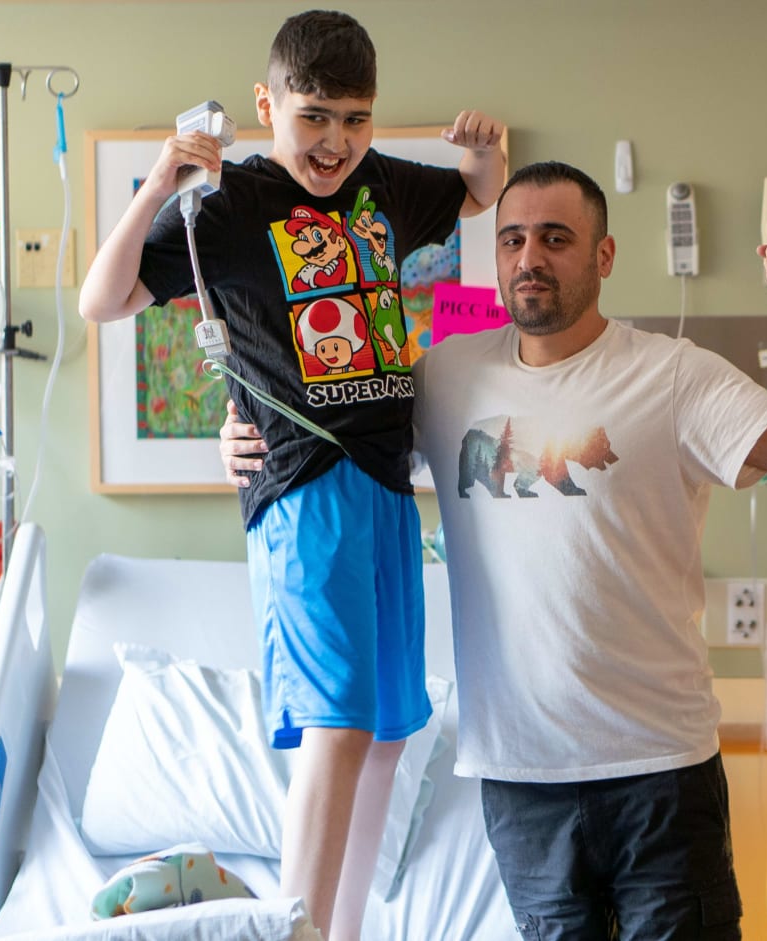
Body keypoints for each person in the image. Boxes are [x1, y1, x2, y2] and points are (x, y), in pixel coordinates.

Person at [218, 161, 767, 940]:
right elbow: (342, 429)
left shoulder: (672, 376)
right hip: (520, 780)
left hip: (659, 770)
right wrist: (241, 437)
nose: (531, 258)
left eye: (556, 238)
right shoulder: (449, 375)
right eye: (513, 238)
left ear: (604, 257)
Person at [78, 10, 505, 939]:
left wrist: (488, 155)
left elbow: (475, 194)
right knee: (339, 722)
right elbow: (100, 298)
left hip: (390, 485)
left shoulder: (385, 185)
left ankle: (336, 932)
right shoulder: (229, 207)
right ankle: (295, 930)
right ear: (269, 104)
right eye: (314, 116)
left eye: (355, 118)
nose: (335, 142)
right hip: (305, 484)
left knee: (389, 734)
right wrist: (158, 182)